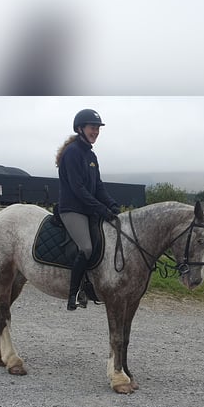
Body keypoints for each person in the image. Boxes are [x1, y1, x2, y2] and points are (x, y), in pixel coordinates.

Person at [55, 108, 120, 311]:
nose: (96, 132)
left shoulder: (91, 155)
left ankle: (91, 285)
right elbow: (78, 189)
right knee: (86, 248)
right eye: (93, 128)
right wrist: (101, 209)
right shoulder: (72, 153)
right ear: (81, 128)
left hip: (88, 209)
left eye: (98, 128)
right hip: (72, 209)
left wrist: (112, 205)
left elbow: (98, 186)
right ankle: (73, 294)